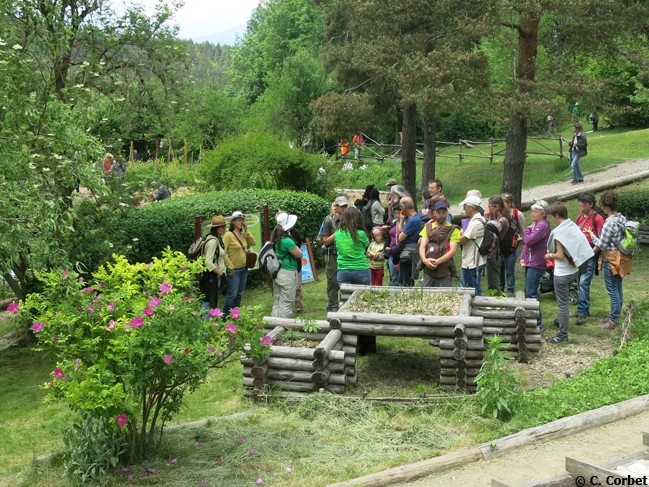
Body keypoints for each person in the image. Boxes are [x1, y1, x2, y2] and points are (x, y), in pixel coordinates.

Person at [545, 202, 594, 344]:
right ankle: (562, 320)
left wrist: (550, 256)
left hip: (562, 273)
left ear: (556, 215)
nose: (553, 220)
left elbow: (559, 255)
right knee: (564, 304)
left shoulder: (560, 233)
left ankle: (562, 334)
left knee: (562, 304)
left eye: (552, 217)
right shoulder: (573, 227)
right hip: (574, 270)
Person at [590, 191, 632, 330]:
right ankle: (615, 316)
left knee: (612, 290)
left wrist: (592, 235)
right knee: (618, 288)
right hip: (621, 257)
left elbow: (602, 244)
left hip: (611, 259)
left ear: (605, 207)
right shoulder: (622, 219)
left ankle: (613, 320)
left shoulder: (609, 224)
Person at [334, 207, 372, 354]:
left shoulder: (337, 234)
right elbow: (365, 246)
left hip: (343, 271)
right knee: (363, 303)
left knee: (345, 303)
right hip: (361, 270)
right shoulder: (361, 234)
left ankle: (346, 341)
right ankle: (364, 343)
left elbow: (338, 249)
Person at [574, 191, 605, 324]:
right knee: (580, 282)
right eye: (580, 205)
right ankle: (583, 309)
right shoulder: (579, 218)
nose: (581, 208)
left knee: (583, 282)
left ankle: (582, 311)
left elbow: (601, 239)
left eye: (584, 206)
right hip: (580, 253)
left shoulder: (597, 218)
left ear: (591, 204)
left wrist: (592, 253)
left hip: (591, 253)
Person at [520, 201, 550, 333]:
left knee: (532, 293)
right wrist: (523, 257)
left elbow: (529, 241)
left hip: (537, 263)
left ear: (543, 213)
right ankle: (531, 320)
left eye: (536, 211)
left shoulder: (542, 225)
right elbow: (527, 245)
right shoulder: (536, 225)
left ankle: (538, 323)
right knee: (529, 292)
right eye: (533, 211)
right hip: (531, 262)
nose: (533, 214)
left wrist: (526, 230)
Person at [419, 200, 460, 287]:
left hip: (444, 271)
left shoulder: (454, 229)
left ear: (447, 213)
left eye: (443, 212)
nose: (441, 215)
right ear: (434, 213)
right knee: (426, 296)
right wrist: (424, 260)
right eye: (439, 212)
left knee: (445, 297)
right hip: (428, 270)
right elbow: (422, 246)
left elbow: (453, 250)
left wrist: (437, 262)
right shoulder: (428, 227)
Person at [223, 211, 257, 317]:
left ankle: (235, 315)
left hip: (244, 268)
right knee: (232, 295)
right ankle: (224, 316)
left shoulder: (243, 234)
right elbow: (222, 252)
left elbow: (253, 243)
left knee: (239, 294)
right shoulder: (228, 235)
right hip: (234, 270)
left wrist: (247, 230)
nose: (241, 221)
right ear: (233, 222)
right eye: (238, 220)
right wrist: (230, 266)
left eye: (242, 220)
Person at [270, 212, 303, 318]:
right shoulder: (287, 241)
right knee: (287, 302)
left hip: (277, 272)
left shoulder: (275, 238)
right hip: (287, 274)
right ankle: (283, 327)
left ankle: (274, 323)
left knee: (278, 299)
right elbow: (299, 254)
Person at [322, 196, 348, 311]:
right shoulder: (329, 220)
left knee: (346, 280)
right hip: (332, 254)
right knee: (332, 281)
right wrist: (338, 233)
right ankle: (333, 305)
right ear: (336, 207)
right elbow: (325, 241)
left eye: (345, 206)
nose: (344, 208)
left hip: (346, 254)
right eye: (342, 206)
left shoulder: (349, 220)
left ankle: (345, 304)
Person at [200, 215, 232, 310]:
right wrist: (220, 273)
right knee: (208, 301)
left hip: (213, 275)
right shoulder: (213, 241)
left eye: (224, 226)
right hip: (212, 276)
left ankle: (208, 321)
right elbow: (208, 262)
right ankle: (204, 321)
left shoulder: (216, 238)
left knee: (210, 300)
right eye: (221, 227)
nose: (224, 228)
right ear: (215, 228)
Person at [459, 195, 486, 295]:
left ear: (471, 207)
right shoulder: (482, 220)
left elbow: (461, 240)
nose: (464, 209)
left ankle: (477, 307)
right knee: (475, 286)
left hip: (472, 261)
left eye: (465, 206)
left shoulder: (474, 223)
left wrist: (460, 234)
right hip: (479, 259)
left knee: (472, 289)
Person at [500, 193, 525, 297]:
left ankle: (510, 291)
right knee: (500, 270)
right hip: (501, 246)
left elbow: (522, 229)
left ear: (509, 203)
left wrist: (524, 243)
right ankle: (500, 289)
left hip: (512, 245)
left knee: (509, 270)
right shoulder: (500, 213)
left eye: (504, 202)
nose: (502, 204)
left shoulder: (517, 214)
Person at [395, 197, 423, 287]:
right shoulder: (414, 217)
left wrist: (402, 221)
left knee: (406, 278)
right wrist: (402, 219)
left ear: (404, 207)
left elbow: (400, 237)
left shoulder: (412, 221)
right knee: (405, 277)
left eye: (400, 206)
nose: (400, 209)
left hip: (409, 252)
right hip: (410, 249)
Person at [485, 195, 510, 296]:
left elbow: (493, 231)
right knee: (491, 281)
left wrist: (486, 218)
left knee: (495, 281)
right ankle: (493, 300)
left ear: (497, 207)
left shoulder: (503, 220)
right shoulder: (495, 217)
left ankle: (498, 302)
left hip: (496, 253)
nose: (488, 209)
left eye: (490, 206)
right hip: (492, 252)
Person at [288, 225, 305, 313]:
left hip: (296, 264)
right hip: (286, 266)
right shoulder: (279, 234)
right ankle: (287, 307)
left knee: (298, 286)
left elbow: (299, 244)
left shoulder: (295, 232)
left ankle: (299, 307)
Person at [385, 204, 401, 286]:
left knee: (398, 277)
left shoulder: (406, 223)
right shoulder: (394, 222)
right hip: (391, 252)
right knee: (393, 276)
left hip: (400, 253)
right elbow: (389, 237)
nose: (398, 215)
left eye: (399, 213)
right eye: (396, 213)